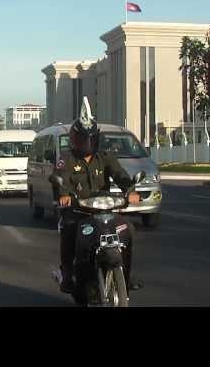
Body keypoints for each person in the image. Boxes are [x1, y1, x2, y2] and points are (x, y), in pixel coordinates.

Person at [52, 99, 143, 295]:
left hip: (105, 210)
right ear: (74, 139)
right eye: (82, 139)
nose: (86, 143)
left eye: (90, 139)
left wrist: (130, 190)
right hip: (78, 210)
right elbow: (60, 178)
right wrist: (64, 195)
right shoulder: (66, 159)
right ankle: (68, 274)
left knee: (129, 229)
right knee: (68, 230)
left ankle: (126, 275)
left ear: (96, 139)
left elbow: (119, 175)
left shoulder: (105, 157)